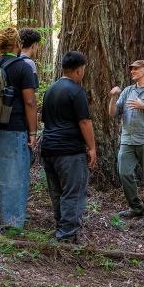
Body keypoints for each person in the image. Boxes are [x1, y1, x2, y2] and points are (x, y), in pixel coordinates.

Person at [0, 27, 38, 233]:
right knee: (14, 177)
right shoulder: (22, 67)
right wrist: (33, 133)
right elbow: (30, 102)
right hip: (14, 128)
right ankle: (11, 225)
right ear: (17, 45)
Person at [40, 51, 97, 241]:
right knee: (73, 192)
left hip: (48, 149)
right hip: (69, 151)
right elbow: (84, 122)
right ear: (79, 70)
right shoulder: (76, 90)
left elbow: (45, 119)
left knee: (57, 192)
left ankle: (61, 226)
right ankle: (67, 235)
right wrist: (92, 148)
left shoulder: (51, 89)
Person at [109, 59, 144, 220]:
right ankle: (135, 207)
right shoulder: (127, 91)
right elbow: (113, 113)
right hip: (127, 140)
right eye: (131, 69)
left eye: (136, 69)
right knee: (124, 173)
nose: (132, 71)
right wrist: (113, 97)